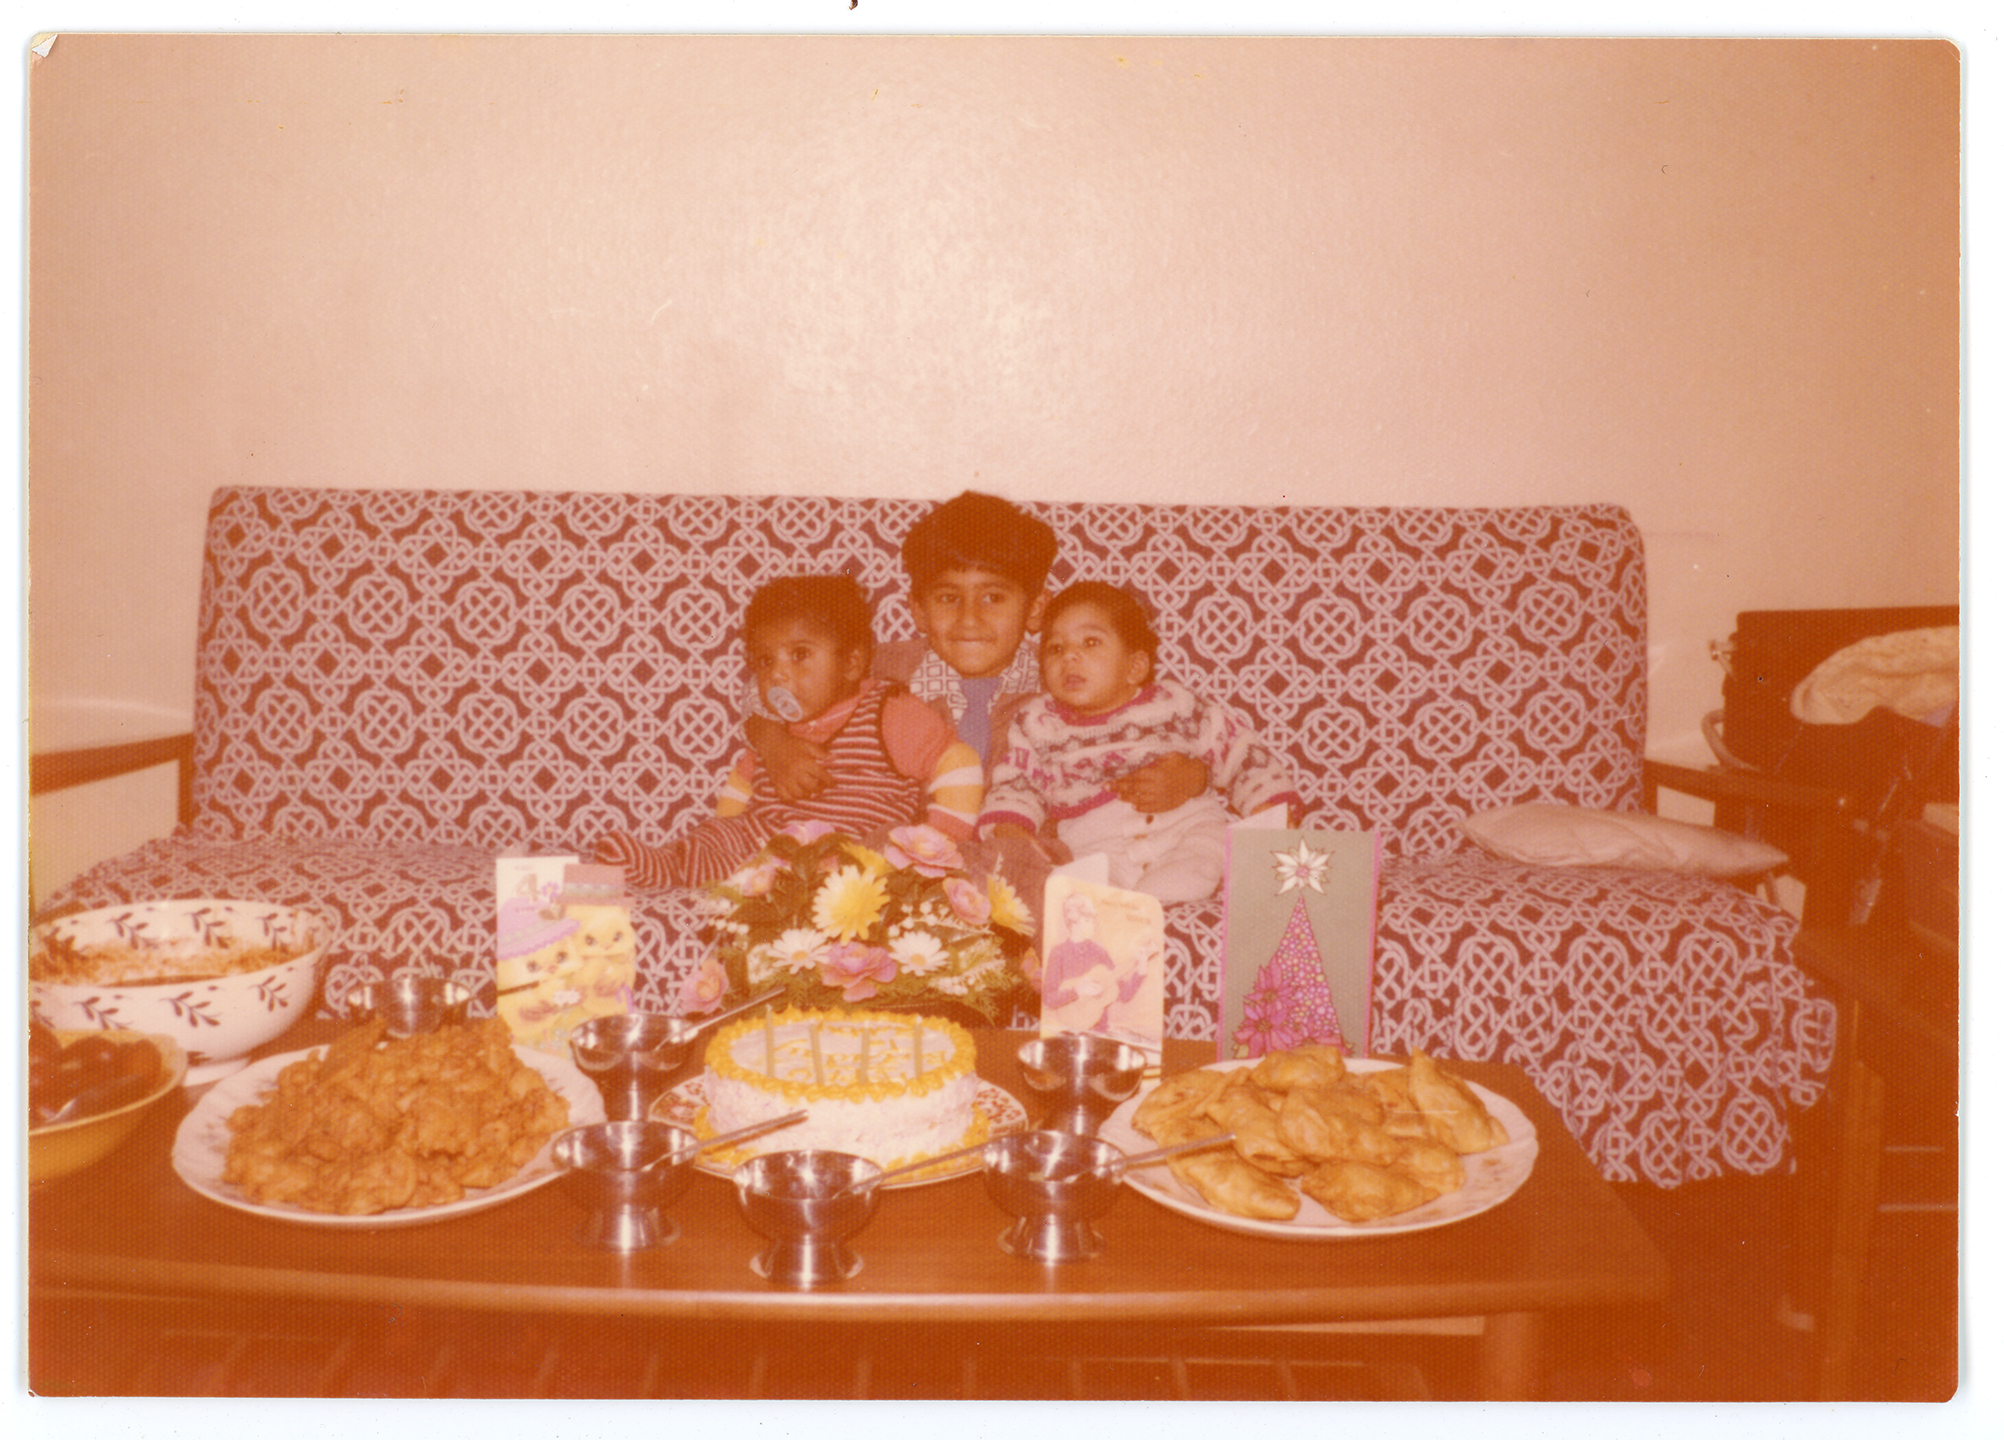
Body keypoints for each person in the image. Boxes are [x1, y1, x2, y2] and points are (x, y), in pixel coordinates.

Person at [595, 574, 982, 889]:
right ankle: (670, 866)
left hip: (845, 853)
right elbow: (741, 786)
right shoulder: (775, 730)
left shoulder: (888, 711)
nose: (777, 674)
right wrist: (721, 833)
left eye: (799, 655)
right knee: (721, 835)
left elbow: (956, 760)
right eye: (765, 661)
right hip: (763, 848)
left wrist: (939, 844)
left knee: (855, 862)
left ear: (851, 663)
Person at [979, 580, 1305, 903]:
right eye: (1055, 648)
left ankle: (1174, 885)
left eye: (1091, 642)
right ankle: (1114, 903)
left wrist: (1268, 804)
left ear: (1134, 667)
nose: (1070, 657)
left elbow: (1237, 750)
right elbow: (1017, 783)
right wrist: (1010, 826)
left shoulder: (1175, 704)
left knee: (1208, 847)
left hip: (1184, 825)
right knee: (1080, 883)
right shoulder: (1037, 722)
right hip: (1098, 845)